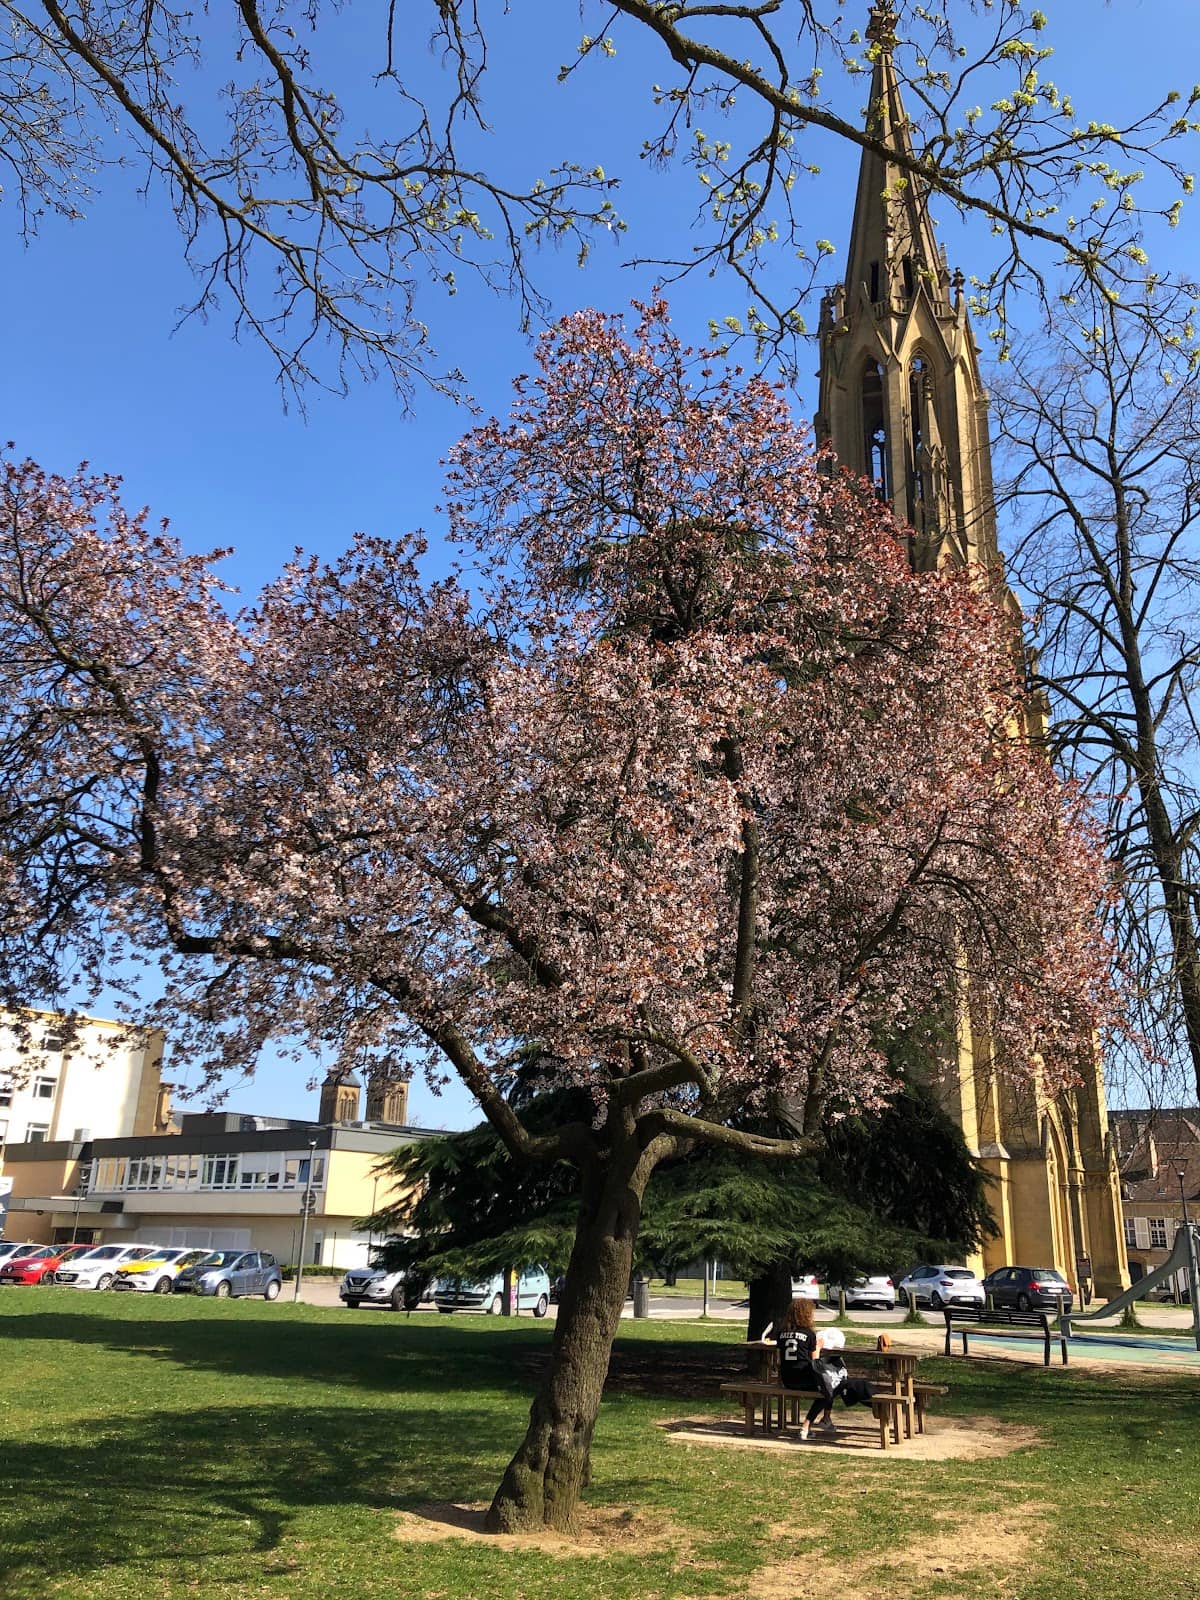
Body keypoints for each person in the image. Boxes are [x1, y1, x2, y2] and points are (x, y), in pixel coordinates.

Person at [772, 1297, 840, 1439]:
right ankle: (808, 1424)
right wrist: (819, 1348)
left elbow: (778, 1359)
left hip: (787, 1379)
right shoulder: (809, 1334)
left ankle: (825, 1420)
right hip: (804, 1379)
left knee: (827, 1386)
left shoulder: (781, 1333)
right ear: (806, 1314)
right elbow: (816, 1364)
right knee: (830, 1386)